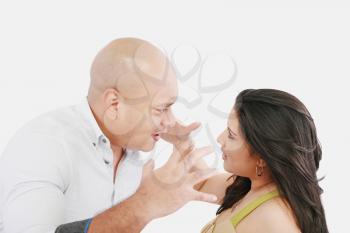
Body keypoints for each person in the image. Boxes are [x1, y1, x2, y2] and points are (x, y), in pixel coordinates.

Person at [0, 37, 228, 233]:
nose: (170, 121)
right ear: (114, 103)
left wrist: (185, 150)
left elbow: (213, 189)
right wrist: (142, 206)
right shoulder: (45, 146)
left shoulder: (136, 144)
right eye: (161, 109)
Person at [200, 89, 329, 233]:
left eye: (231, 135)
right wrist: (180, 140)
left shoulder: (275, 220)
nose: (219, 138)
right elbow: (200, 183)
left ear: (262, 157)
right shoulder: (247, 187)